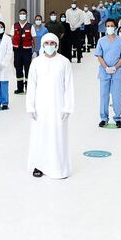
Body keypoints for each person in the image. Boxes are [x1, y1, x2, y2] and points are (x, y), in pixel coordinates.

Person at [26, 33, 74, 179]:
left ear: (57, 45)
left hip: (58, 106)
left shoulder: (64, 62)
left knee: (57, 135)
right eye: (46, 43)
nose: (49, 46)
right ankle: (38, 165)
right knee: (40, 135)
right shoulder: (36, 62)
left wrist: (68, 107)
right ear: (42, 45)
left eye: (52, 43)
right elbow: (31, 85)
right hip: (40, 106)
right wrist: (30, 106)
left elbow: (69, 86)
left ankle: (58, 167)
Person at [95, 19, 121, 128]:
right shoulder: (101, 40)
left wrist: (115, 67)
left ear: (115, 27)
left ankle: (118, 118)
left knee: (116, 96)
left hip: (117, 71)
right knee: (104, 96)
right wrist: (106, 67)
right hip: (104, 72)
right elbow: (99, 56)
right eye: (108, 26)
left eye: (111, 26)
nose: (109, 27)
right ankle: (104, 118)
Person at [12, 9, 33, 94]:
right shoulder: (14, 26)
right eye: (21, 13)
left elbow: (34, 38)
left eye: (24, 13)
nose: (22, 15)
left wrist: (35, 50)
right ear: (18, 15)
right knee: (18, 69)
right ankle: (19, 88)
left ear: (26, 15)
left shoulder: (30, 26)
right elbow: (11, 37)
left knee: (28, 69)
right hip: (17, 51)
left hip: (27, 50)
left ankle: (28, 87)